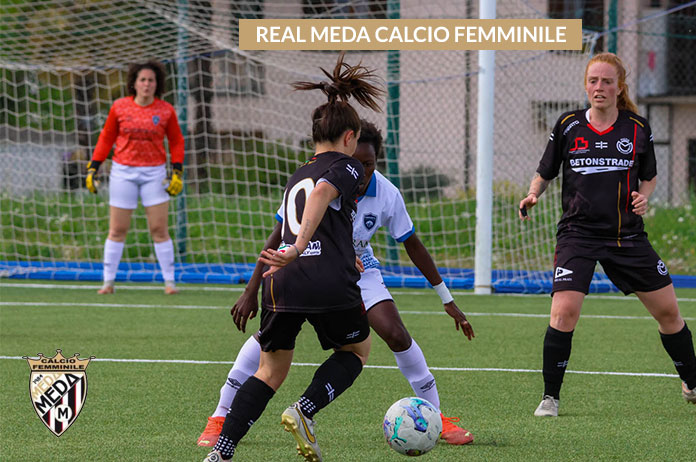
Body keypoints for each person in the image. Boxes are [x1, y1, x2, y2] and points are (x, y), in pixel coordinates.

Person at [196, 120, 476, 452]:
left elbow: (412, 244)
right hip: (312, 264)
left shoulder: (386, 193)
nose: (363, 172)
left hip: (358, 269)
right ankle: (220, 415)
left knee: (396, 333)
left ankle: (436, 417)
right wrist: (250, 289)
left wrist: (446, 298)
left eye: (370, 164)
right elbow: (279, 234)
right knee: (268, 339)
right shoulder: (323, 179)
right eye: (357, 163)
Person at [518, 52, 696, 418]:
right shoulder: (568, 125)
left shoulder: (637, 128)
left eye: (607, 81)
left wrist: (644, 197)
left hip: (626, 236)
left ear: (619, 87)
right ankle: (550, 397)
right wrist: (533, 193)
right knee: (564, 313)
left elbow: (650, 177)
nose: (599, 87)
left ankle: (692, 384)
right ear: (586, 86)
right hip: (578, 235)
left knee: (669, 312)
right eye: (593, 81)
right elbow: (545, 171)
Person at [203, 53, 383, 462]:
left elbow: (307, 214)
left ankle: (221, 452)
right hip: (324, 280)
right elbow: (321, 195)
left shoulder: (297, 173)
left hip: (280, 282)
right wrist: (300, 247)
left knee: (269, 371)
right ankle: (304, 409)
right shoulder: (348, 167)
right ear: (350, 137)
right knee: (356, 352)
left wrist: (305, 251)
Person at [85, 60, 184, 295]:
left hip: (154, 173)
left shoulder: (165, 110)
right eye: (143, 80)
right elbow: (106, 137)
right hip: (123, 172)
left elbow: (176, 141)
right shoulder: (119, 107)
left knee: (159, 228)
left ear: (157, 84)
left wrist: (177, 170)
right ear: (134, 83)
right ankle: (108, 283)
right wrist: (94, 167)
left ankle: (170, 283)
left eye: (151, 80)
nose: (147, 84)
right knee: (117, 229)